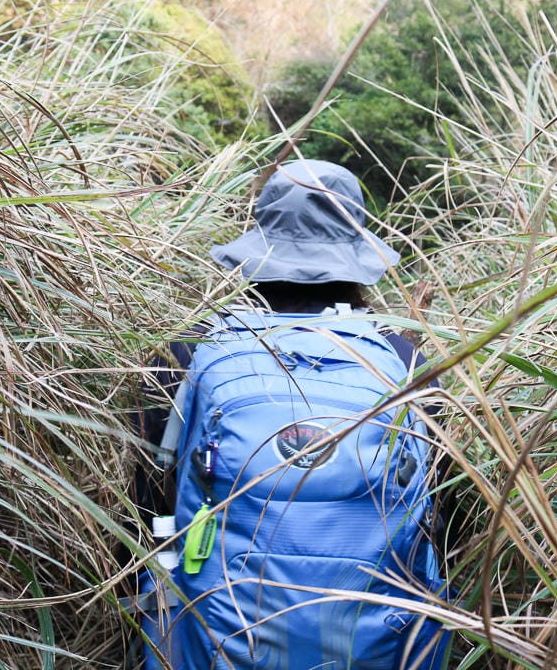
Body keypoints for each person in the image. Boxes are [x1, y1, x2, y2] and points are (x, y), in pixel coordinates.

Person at [132, 158, 447, 670]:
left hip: (214, 637)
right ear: (357, 251)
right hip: (376, 645)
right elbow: (439, 516)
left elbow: (146, 511)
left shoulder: (185, 358)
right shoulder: (408, 363)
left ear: (259, 243)